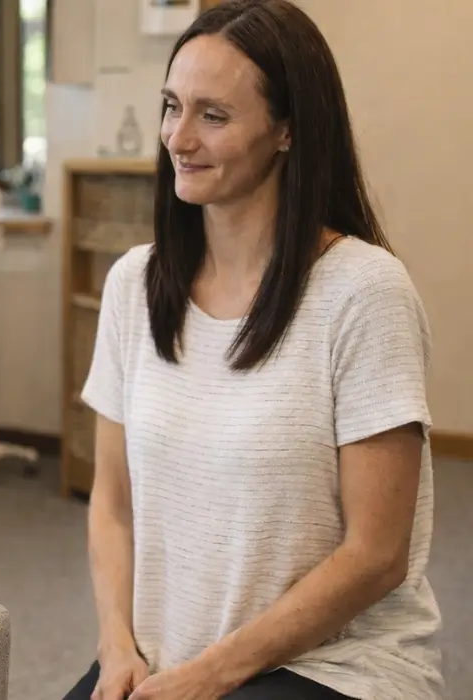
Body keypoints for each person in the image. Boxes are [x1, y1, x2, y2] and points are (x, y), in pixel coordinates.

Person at [63, 1, 444, 699]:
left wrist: (211, 676)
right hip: (166, 660)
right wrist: (116, 645)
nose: (177, 137)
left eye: (213, 116)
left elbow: (378, 553)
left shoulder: (363, 293)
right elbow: (112, 501)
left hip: (331, 667)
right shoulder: (133, 286)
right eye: (171, 106)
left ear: (287, 130)